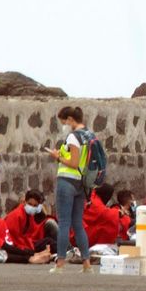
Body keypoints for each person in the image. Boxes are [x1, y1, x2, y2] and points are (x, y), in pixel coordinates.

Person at [46, 106, 92, 273]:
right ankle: (86, 263)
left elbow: (73, 162)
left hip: (67, 181)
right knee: (78, 224)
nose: (64, 124)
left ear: (71, 119)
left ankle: (60, 264)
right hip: (81, 183)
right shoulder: (89, 135)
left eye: (64, 121)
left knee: (64, 223)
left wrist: (58, 156)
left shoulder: (73, 137)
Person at [3, 190, 57, 264]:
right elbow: (12, 238)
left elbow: (30, 233)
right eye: (30, 204)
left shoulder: (29, 214)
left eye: (35, 205)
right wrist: (28, 249)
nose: (32, 207)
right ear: (25, 202)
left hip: (27, 243)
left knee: (49, 241)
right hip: (17, 246)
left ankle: (65, 251)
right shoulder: (16, 215)